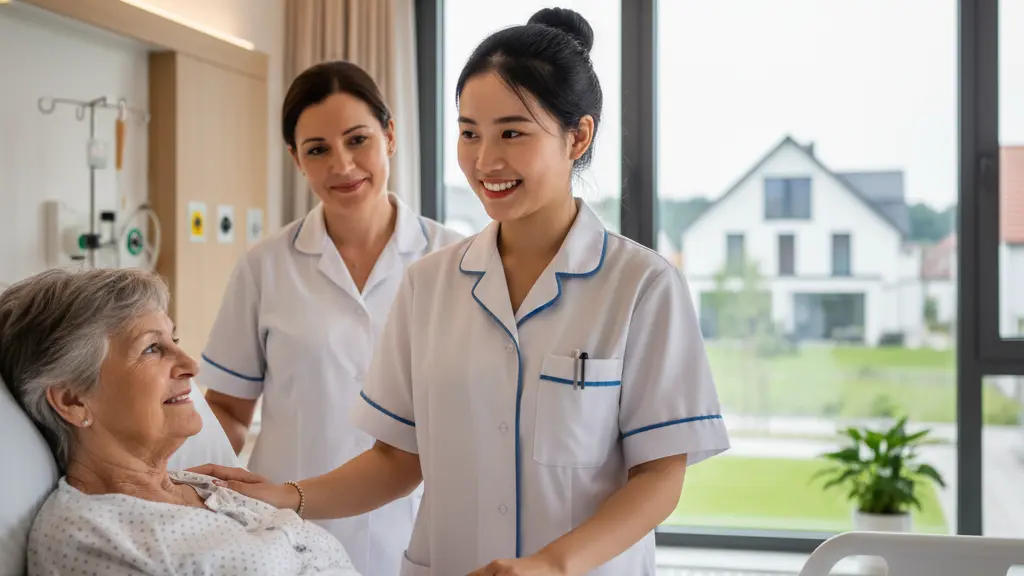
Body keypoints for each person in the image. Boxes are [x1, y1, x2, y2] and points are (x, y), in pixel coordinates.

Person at [193, 8, 730, 575]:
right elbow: (398, 460)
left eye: (512, 133)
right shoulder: (429, 284)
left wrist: (552, 565)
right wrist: (287, 495)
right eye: (469, 132)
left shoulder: (642, 286)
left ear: (578, 136)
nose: (484, 159)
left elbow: (660, 477)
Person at [199, 60, 463, 576]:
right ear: (297, 160)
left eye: (357, 139)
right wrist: (193, 486)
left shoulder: (455, 262)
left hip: (415, 528)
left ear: (389, 135)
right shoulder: (265, 265)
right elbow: (228, 408)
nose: (342, 165)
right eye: (318, 149)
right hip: (286, 534)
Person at [0, 268, 360, 576]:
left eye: (174, 339)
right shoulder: (89, 537)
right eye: (152, 348)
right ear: (73, 401)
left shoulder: (204, 486)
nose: (191, 364)